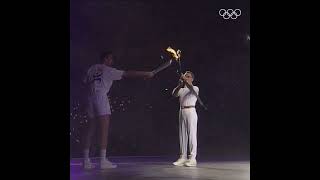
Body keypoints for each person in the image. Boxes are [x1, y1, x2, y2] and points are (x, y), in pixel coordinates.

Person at [82, 51, 154, 169]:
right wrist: (146, 73)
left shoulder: (92, 68)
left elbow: (84, 82)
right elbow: (128, 73)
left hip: (90, 97)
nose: (112, 61)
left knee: (90, 128)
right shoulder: (109, 70)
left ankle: (85, 161)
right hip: (100, 97)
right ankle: (103, 160)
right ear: (105, 59)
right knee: (104, 129)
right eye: (111, 59)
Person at [172, 71, 199, 167]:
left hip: (191, 111)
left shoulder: (195, 88)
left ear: (192, 79)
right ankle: (182, 157)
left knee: (191, 134)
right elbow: (174, 94)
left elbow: (191, 89)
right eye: (185, 76)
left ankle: (192, 158)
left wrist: (185, 81)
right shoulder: (181, 89)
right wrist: (179, 85)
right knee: (182, 135)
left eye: (188, 76)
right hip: (182, 111)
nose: (186, 78)